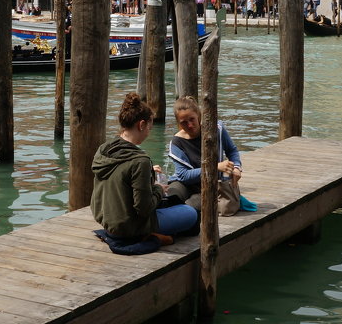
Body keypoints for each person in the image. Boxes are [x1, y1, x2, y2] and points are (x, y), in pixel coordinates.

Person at [91, 92, 199, 253]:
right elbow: (143, 208)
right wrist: (157, 189)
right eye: (149, 127)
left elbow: (122, 178)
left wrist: (149, 174)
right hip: (128, 226)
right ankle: (150, 235)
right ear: (141, 125)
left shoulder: (105, 149)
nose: (149, 132)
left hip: (106, 221)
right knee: (191, 214)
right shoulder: (139, 160)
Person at [166, 95, 243, 208]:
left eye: (192, 119)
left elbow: (232, 150)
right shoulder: (176, 143)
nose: (190, 125)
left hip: (211, 184)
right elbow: (183, 176)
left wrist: (237, 167)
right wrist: (214, 166)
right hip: (185, 184)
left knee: (190, 206)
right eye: (184, 122)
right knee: (172, 197)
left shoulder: (216, 129)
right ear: (178, 123)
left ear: (198, 115)